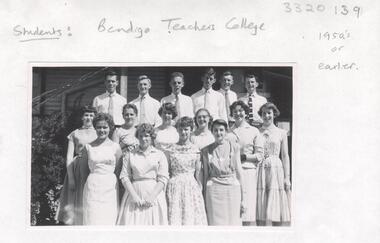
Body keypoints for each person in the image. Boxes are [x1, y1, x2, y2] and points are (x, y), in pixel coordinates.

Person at [117, 123, 169, 225]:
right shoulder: (130, 154)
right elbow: (124, 176)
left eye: (146, 135)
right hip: (134, 194)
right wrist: (134, 197)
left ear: (152, 137)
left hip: (154, 195)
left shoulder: (160, 154)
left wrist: (152, 197)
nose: (143, 139)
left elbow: (163, 178)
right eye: (140, 136)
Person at [57, 106, 97, 225]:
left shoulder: (99, 132)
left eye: (91, 115)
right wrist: (71, 178)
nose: (88, 118)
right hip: (78, 168)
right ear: (82, 117)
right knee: (77, 197)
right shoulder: (75, 133)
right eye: (86, 115)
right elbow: (69, 156)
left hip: (93, 167)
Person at [201, 119, 245, 225]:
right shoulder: (206, 150)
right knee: (215, 223)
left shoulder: (234, 147)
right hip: (213, 190)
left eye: (221, 130)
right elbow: (206, 175)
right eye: (215, 130)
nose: (218, 133)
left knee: (233, 222)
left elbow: (239, 172)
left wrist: (243, 199)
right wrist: (204, 197)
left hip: (232, 189)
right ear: (212, 132)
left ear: (226, 131)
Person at [165, 117, 207, 225]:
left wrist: (199, 190)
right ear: (177, 130)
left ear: (191, 130)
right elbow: (168, 171)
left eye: (186, 129)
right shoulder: (171, 149)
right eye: (181, 129)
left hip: (190, 187)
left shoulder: (196, 150)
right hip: (174, 186)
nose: (183, 132)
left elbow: (198, 174)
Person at [82, 113, 122, 225]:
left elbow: (118, 170)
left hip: (110, 186)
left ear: (110, 128)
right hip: (93, 186)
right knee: (92, 217)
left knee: (108, 217)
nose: (102, 130)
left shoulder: (115, 147)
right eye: (99, 127)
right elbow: (84, 171)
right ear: (95, 128)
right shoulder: (88, 147)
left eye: (105, 127)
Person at [229, 100, 264, 226]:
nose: (238, 113)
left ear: (245, 112)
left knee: (248, 208)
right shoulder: (228, 131)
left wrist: (245, 157)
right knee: (235, 208)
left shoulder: (254, 130)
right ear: (232, 114)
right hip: (232, 173)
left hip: (248, 171)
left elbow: (260, 155)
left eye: (241, 111)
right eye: (235, 111)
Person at [256, 102, 291, 226]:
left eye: (269, 113)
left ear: (274, 114)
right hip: (260, 168)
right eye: (264, 113)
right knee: (261, 203)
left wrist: (287, 177)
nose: (266, 116)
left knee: (275, 204)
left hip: (276, 169)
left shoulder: (281, 132)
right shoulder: (256, 132)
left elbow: (285, 156)